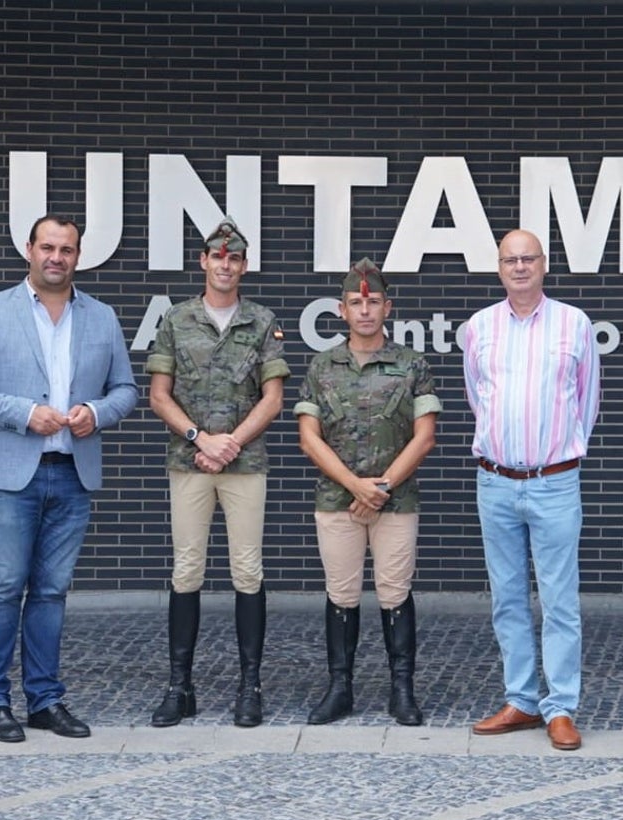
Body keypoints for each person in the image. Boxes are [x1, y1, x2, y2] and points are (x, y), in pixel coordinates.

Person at [0, 213, 138, 743]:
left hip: (72, 473)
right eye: (47, 247)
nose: (57, 257)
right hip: (10, 473)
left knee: (51, 591)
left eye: (67, 250)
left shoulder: (100, 317)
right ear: (28, 249)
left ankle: (45, 700)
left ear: (79, 256)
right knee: (6, 586)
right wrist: (23, 411)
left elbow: (125, 389)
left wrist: (95, 414)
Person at [144, 216, 290, 728]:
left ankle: (249, 687)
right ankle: (179, 686)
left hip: (244, 464)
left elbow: (273, 399)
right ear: (203, 262)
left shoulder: (262, 320)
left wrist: (230, 444)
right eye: (217, 256)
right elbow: (159, 395)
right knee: (187, 571)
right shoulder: (176, 320)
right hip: (189, 462)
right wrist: (199, 439)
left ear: (243, 266)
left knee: (247, 572)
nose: (225, 265)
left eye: (234, 258)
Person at [459, 229, 600, 751]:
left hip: (555, 482)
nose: (519, 267)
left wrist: (559, 453)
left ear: (544, 264)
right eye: (509, 260)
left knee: (560, 601)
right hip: (495, 481)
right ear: (498, 268)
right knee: (508, 598)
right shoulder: (478, 328)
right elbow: (480, 398)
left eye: (528, 258)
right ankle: (520, 699)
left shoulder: (574, 324)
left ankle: (560, 706)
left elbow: (587, 401)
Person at [294, 258, 440, 726]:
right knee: (342, 593)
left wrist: (381, 486)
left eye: (373, 301)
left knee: (396, 592)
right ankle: (340, 689)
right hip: (338, 499)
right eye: (356, 302)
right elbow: (308, 436)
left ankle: (402, 690)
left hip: (396, 500)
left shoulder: (411, 364)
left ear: (387, 307)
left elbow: (425, 435)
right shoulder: (322, 365)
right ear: (341, 309)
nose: (364, 310)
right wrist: (355, 485)